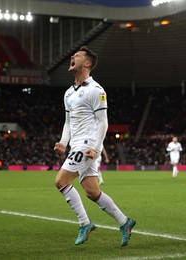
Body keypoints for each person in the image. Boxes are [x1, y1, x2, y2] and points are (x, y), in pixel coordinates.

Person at [53, 46, 135, 247]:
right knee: (92, 191)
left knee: (60, 181)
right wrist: (63, 143)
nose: (72, 57)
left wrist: (97, 148)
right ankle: (125, 222)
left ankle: (84, 223)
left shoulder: (96, 90)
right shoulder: (68, 93)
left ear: (87, 63)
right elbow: (68, 122)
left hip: (87, 144)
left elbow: (103, 122)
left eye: (78, 56)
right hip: (76, 146)